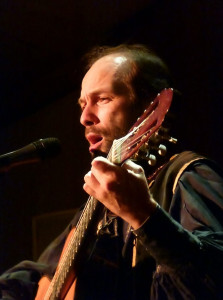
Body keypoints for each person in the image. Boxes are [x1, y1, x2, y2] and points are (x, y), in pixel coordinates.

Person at [1, 44, 223, 300]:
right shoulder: (96, 207)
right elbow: (38, 274)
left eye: (102, 99)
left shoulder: (188, 175)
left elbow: (214, 276)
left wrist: (144, 216)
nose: (84, 117)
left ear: (147, 107)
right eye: (82, 103)